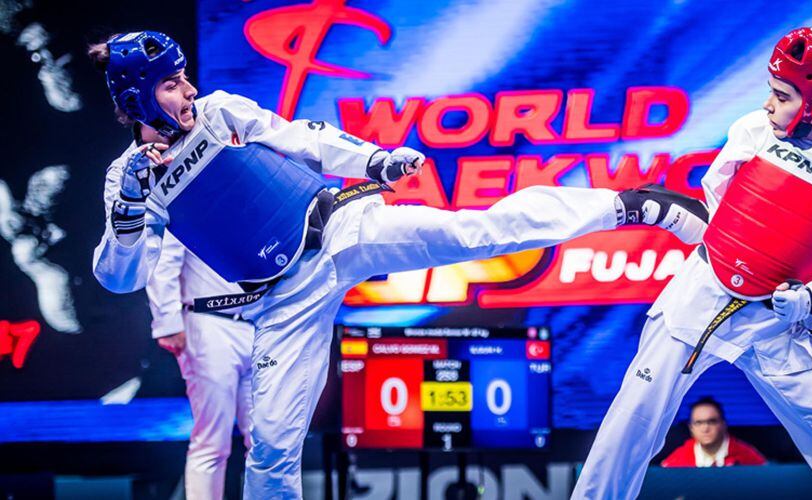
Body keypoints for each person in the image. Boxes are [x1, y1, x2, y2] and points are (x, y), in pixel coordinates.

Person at [87, 31, 708, 498]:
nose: (188, 90)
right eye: (170, 85)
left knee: (476, 230)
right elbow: (120, 276)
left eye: (183, 76)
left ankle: (628, 205)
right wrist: (129, 214)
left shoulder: (221, 112)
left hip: (341, 231)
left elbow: (302, 137)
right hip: (282, 302)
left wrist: (374, 161)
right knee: (272, 448)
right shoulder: (130, 179)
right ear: (137, 97)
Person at [573, 26, 812, 499]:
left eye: (782, 95)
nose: (769, 103)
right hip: (697, 301)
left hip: (776, 323)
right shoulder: (752, 130)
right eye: (771, 90)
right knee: (626, 430)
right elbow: (714, 206)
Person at [147, 230, 254, 500]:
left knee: (269, 441)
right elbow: (163, 258)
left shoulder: (260, 191)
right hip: (208, 319)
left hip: (261, 320)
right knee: (212, 442)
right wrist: (168, 321)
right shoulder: (190, 192)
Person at [660, 397, 766, 468]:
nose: (705, 428)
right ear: (691, 428)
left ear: (723, 424)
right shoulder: (677, 459)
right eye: (699, 423)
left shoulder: (747, 455)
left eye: (711, 421)